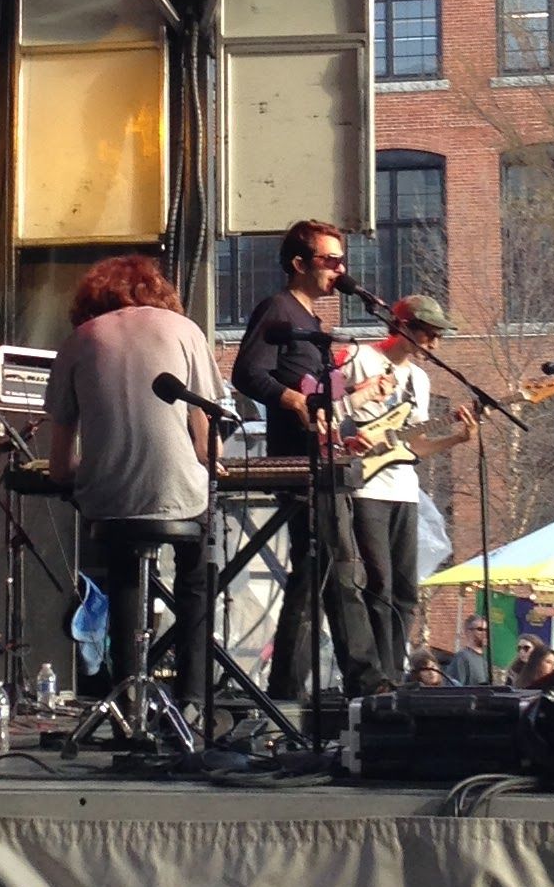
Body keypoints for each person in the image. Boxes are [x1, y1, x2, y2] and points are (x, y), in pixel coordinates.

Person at [42, 255, 222, 731]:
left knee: (123, 574)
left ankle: (126, 706)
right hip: (182, 493)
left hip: (110, 500)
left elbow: (60, 466)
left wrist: (96, 464)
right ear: (156, 290)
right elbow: (206, 445)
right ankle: (193, 700)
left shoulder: (78, 341)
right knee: (196, 578)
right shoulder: (185, 331)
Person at [231, 220, 376, 713]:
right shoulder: (278, 308)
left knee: (314, 571)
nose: (340, 270)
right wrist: (291, 398)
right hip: (297, 464)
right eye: (330, 260)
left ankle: (287, 688)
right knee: (338, 566)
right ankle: (365, 678)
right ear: (299, 263)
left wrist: (340, 427)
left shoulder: (312, 323)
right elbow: (247, 372)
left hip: (320, 457)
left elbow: (318, 398)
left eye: (342, 261)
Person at [339, 294, 474, 687]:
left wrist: (457, 439)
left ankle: (394, 673)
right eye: (429, 335)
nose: (434, 345)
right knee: (377, 583)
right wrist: (349, 436)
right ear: (403, 327)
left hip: (403, 488)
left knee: (405, 589)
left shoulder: (420, 379)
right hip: (365, 487)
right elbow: (329, 410)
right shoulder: (358, 358)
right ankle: (375, 675)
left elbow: (414, 445)